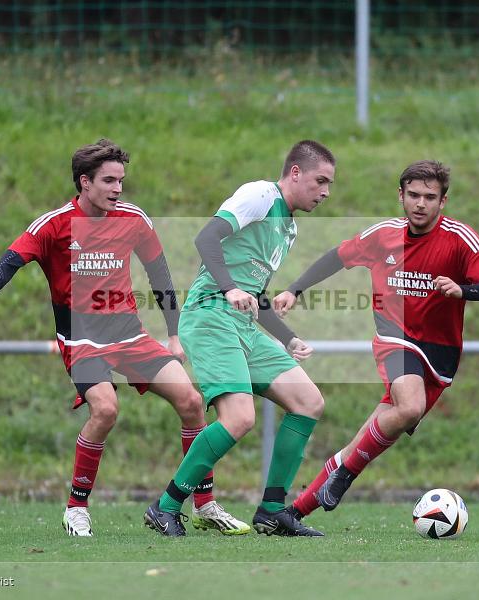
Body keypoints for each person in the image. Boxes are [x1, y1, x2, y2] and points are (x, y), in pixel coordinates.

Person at [0, 139, 248, 537]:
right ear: (85, 182)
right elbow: (10, 260)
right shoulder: (54, 224)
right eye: (109, 181)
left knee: (191, 401)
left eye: (121, 181)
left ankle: (204, 503)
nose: (118, 189)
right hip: (81, 338)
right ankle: (77, 507)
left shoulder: (134, 219)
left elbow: (160, 275)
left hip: (130, 334)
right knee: (106, 410)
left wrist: (173, 333)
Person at [272, 160, 479, 521]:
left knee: (369, 436)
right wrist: (294, 290)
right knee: (410, 407)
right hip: (394, 339)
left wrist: (462, 290)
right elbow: (335, 258)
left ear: (443, 202)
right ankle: (346, 477)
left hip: (439, 356)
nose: (420, 203)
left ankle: (291, 514)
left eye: (430, 197)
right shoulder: (383, 235)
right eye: (413, 195)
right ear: (401, 196)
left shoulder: (459, 239)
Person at [143, 140, 336, 537]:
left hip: (241, 324)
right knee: (240, 418)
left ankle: (271, 511)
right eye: (321, 181)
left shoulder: (289, 227)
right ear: (295, 173)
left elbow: (252, 296)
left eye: (329, 184)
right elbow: (206, 238)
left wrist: (287, 338)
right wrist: (229, 288)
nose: (326, 192)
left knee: (308, 402)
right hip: (211, 313)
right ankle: (165, 507)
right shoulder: (260, 195)